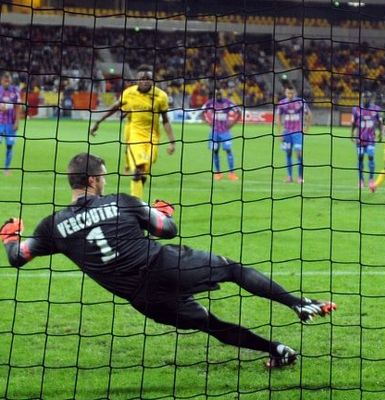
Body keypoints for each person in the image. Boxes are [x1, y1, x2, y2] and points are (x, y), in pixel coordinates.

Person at [1, 153, 337, 368]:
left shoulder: (53, 226)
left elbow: (19, 257)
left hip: (142, 298)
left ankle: (276, 350)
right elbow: (168, 230)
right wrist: (164, 211)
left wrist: (9, 235)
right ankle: (298, 304)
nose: (105, 180)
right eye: (102, 175)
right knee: (233, 269)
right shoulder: (122, 201)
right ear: (92, 180)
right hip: (166, 266)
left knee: (210, 324)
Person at [89, 65, 176, 199]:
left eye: (148, 79)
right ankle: (136, 203)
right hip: (135, 135)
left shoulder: (161, 96)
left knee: (143, 173)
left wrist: (172, 142)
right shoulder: (129, 93)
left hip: (153, 138)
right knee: (138, 170)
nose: (145, 81)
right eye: (142, 78)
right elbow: (115, 107)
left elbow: (165, 120)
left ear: (153, 80)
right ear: (137, 80)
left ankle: (137, 197)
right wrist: (98, 122)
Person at [200, 89, 242, 181]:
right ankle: (218, 173)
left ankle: (232, 173)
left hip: (225, 132)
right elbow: (201, 112)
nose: (218, 95)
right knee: (215, 151)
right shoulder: (210, 103)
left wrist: (232, 123)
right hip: (214, 132)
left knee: (228, 150)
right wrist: (208, 123)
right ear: (215, 94)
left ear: (222, 94)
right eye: (217, 94)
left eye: (220, 93)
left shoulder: (228, 102)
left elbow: (239, 112)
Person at [275, 87, 312, 184]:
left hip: (297, 132)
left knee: (299, 153)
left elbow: (309, 114)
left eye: (291, 93)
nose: (290, 95)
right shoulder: (282, 103)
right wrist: (279, 133)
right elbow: (278, 118)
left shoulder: (300, 102)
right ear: (285, 92)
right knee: (288, 153)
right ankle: (289, 177)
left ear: (295, 93)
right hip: (287, 132)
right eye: (288, 93)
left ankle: (300, 177)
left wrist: (306, 129)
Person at [351, 92, 383, 188]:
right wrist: (351, 133)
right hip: (360, 138)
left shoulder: (376, 109)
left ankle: (371, 179)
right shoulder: (356, 109)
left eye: (367, 97)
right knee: (360, 157)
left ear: (370, 98)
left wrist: (381, 133)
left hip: (371, 138)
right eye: (364, 97)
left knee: (370, 156)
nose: (366, 99)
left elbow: (380, 122)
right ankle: (361, 180)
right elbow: (353, 123)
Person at [0, 72, 21, 176]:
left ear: (11, 80)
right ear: (1, 80)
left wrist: (17, 121)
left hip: (10, 123)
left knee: (9, 146)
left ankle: (6, 169)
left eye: (8, 80)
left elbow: (18, 107)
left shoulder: (15, 91)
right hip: (0, 122)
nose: (6, 81)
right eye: (5, 79)